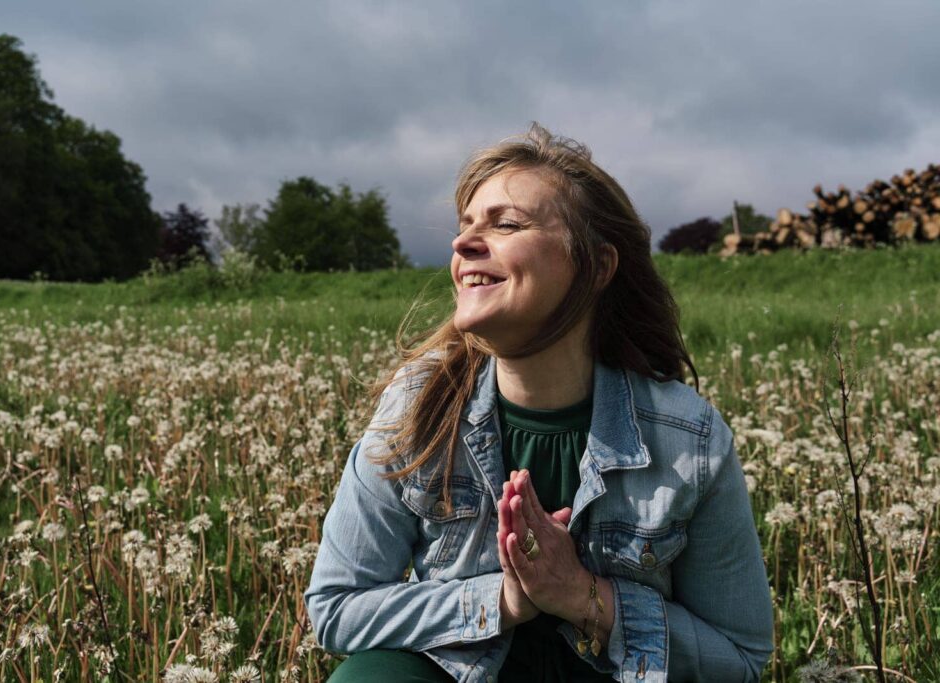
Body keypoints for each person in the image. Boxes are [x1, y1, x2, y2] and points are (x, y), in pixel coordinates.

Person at [304, 123, 774, 682]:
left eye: (506, 224)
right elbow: (335, 610)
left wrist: (580, 596)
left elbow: (741, 657)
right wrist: (503, 600)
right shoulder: (416, 407)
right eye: (466, 226)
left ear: (597, 267)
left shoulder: (687, 438)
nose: (463, 244)